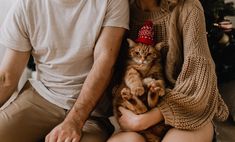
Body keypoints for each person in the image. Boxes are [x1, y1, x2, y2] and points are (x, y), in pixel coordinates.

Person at [0, 0, 129, 142]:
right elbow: (7, 78)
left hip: (91, 113)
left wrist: (75, 120)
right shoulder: (26, 4)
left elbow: (104, 64)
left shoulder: (112, 2)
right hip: (42, 97)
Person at [107, 0, 229, 142]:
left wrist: (148, 119)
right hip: (139, 110)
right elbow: (112, 74)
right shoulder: (119, 8)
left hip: (187, 113)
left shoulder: (189, 8)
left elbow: (199, 79)